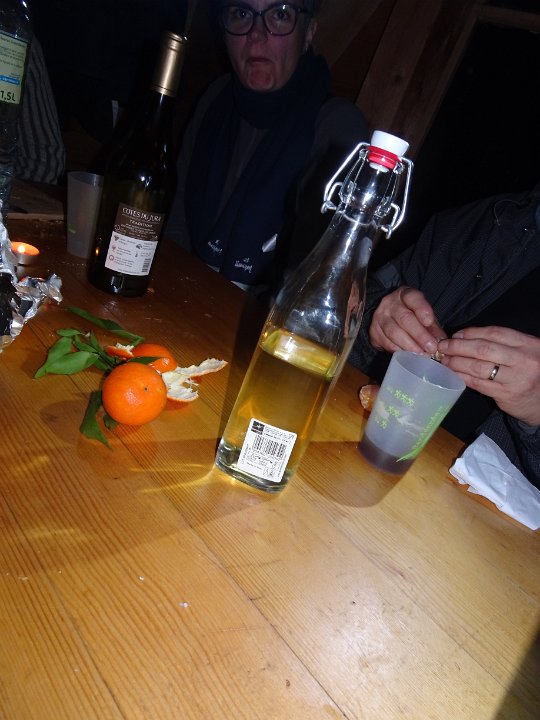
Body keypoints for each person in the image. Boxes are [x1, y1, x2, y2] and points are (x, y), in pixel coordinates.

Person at [165, 0, 369, 297]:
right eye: (241, 13)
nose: (256, 34)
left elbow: (315, 278)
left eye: (280, 14)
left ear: (308, 33)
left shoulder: (338, 128)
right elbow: (176, 215)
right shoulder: (214, 98)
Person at [350, 182, 540, 486]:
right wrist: (375, 317)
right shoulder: (483, 220)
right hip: (356, 441)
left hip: (475, 510)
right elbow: (340, 314)